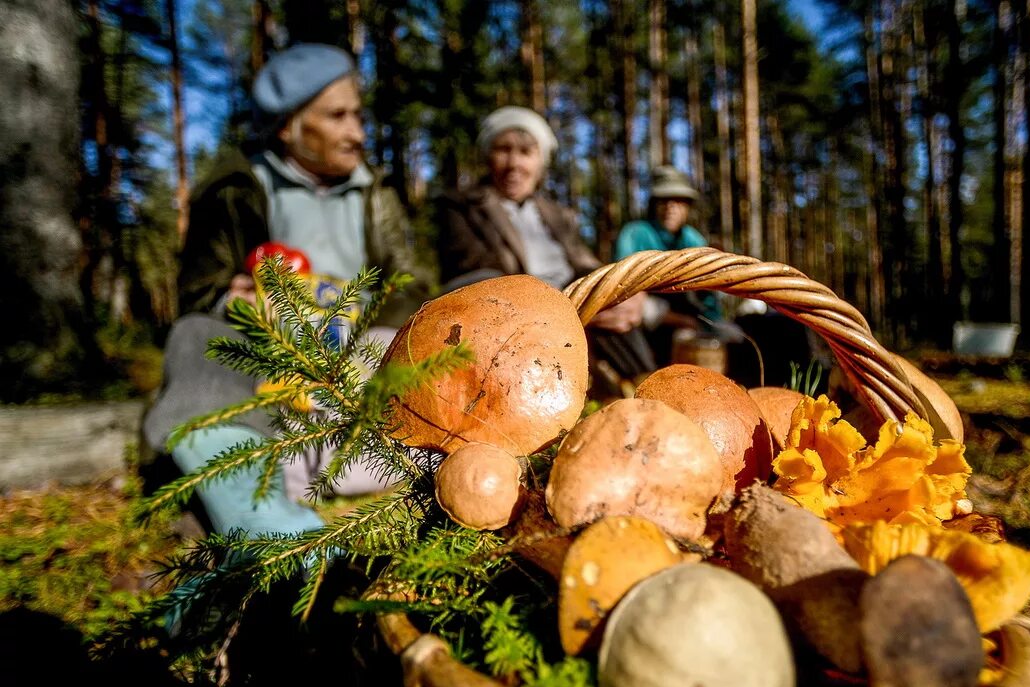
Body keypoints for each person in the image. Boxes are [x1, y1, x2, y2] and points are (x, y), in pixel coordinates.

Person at [143, 44, 431, 536]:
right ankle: (255, 512)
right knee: (195, 337)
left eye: (357, 115)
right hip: (269, 354)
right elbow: (198, 294)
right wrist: (235, 302)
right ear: (288, 126)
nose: (357, 134)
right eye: (338, 116)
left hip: (361, 347)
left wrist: (369, 331)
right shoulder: (236, 187)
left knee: (415, 349)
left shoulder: (374, 192)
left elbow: (412, 282)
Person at [437, 106, 653, 383]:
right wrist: (566, 304)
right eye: (503, 149)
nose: (514, 163)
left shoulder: (557, 215)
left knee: (617, 303)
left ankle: (645, 388)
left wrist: (620, 289)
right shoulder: (460, 207)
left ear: (540, 163)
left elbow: (585, 263)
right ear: (488, 156)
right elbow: (475, 271)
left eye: (526, 153)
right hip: (514, 315)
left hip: (578, 305)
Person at [613, 165, 733, 368]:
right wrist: (675, 319)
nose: (670, 207)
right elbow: (621, 287)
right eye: (664, 200)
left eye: (677, 200)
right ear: (654, 204)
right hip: (647, 318)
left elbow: (708, 297)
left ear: (687, 206)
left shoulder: (693, 239)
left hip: (691, 316)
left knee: (731, 337)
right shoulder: (635, 233)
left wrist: (710, 324)